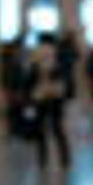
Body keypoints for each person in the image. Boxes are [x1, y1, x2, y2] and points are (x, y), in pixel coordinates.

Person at [28, 34, 72, 167]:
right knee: (57, 127)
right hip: (57, 94)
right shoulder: (59, 52)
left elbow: (32, 73)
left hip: (40, 94)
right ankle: (64, 158)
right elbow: (65, 73)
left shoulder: (35, 52)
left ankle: (42, 159)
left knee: (40, 128)